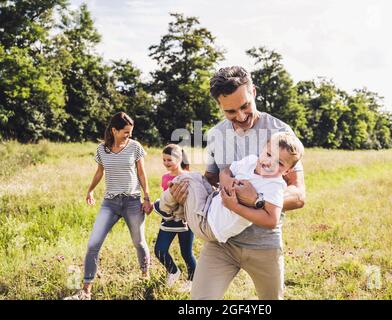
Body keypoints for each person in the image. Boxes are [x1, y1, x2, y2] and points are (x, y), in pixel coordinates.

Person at [170, 66, 306, 300]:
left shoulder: (280, 132)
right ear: (220, 106)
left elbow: (299, 194)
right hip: (222, 242)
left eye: (245, 106)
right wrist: (188, 191)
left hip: (264, 244)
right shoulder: (215, 135)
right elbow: (211, 181)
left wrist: (258, 201)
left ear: (253, 91)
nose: (241, 117)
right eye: (231, 112)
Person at [155, 133, 303, 246]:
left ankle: (163, 206)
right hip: (211, 203)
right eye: (269, 154)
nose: (269, 162)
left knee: (187, 179)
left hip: (210, 225)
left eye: (279, 163)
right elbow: (226, 171)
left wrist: (235, 207)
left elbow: (272, 220)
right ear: (263, 149)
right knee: (196, 178)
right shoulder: (250, 161)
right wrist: (227, 180)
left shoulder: (274, 186)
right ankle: (176, 210)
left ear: (287, 171)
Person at [64, 112, 153, 300]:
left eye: (130, 132)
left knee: (139, 242)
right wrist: (90, 190)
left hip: (132, 201)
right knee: (93, 244)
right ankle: (86, 290)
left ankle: (146, 278)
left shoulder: (135, 147)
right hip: (110, 203)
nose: (128, 135)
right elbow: (99, 172)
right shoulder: (102, 149)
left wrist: (146, 197)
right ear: (114, 130)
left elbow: (142, 174)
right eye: (125, 132)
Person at [153, 144, 196, 292]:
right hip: (169, 220)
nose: (166, 163)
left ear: (178, 159)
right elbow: (165, 199)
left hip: (185, 221)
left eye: (169, 160)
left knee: (186, 253)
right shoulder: (165, 177)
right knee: (159, 250)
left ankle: (192, 281)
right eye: (164, 160)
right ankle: (173, 271)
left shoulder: (187, 177)